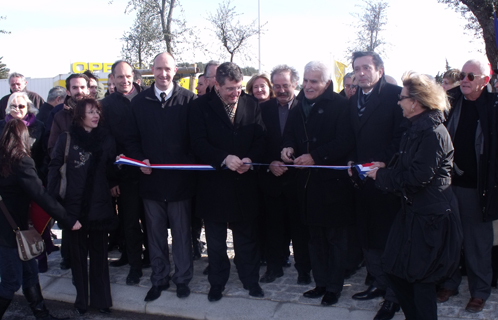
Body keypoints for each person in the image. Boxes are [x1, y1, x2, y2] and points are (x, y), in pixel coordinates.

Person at [365, 72, 462, 320]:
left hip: (430, 218)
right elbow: (407, 168)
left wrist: (381, 177)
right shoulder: (415, 129)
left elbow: (418, 178)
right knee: (396, 271)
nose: (399, 102)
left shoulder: (433, 133)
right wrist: (385, 168)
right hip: (412, 213)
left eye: (402, 98)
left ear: (415, 102)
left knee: (421, 280)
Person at [190, 62, 265, 302]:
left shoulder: (251, 104)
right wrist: (223, 158)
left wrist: (250, 159)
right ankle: (217, 282)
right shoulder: (200, 107)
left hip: (244, 184)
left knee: (246, 239)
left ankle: (250, 279)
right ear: (217, 85)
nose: (236, 93)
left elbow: (262, 138)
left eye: (239, 88)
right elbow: (197, 143)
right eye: (230, 89)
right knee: (216, 241)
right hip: (214, 187)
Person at [281, 61, 355, 306]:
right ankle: (320, 283)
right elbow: (290, 134)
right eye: (305, 80)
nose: (308, 86)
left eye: (314, 81)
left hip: (332, 186)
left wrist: (316, 157)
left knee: (335, 240)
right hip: (306, 186)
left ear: (326, 83)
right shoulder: (298, 106)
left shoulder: (341, 105)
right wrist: (288, 147)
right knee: (315, 239)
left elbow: (345, 141)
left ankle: (334, 287)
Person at [125, 52, 196, 302]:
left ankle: (183, 279)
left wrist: (184, 164)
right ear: (151, 70)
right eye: (158, 69)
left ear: (175, 70)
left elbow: (195, 141)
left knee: (181, 234)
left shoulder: (189, 100)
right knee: (154, 235)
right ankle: (159, 279)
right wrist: (139, 158)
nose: (163, 74)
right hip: (151, 181)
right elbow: (131, 139)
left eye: (167, 69)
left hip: (180, 182)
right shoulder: (139, 101)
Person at [0, 119, 81, 319]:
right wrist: (68, 219)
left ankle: (42, 314)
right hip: (11, 232)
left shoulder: (4, 161)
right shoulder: (22, 161)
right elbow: (41, 196)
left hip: (9, 229)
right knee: (11, 281)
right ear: (24, 139)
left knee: (30, 273)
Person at [437, 59, 498, 313]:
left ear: (485, 81)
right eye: (463, 75)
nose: (464, 79)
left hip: (478, 187)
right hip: (449, 184)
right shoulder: (451, 103)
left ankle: (480, 291)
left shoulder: (493, 108)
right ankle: (449, 283)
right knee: (450, 239)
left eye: (471, 76)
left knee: (477, 243)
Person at [48, 97, 116, 315]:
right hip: (73, 207)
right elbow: (54, 170)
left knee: (99, 257)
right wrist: (58, 206)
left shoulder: (105, 138)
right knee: (77, 258)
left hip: (100, 205)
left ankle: (102, 300)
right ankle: (81, 302)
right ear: (79, 115)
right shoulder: (66, 139)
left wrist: (120, 168)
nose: (96, 115)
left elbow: (111, 169)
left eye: (98, 111)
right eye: (91, 112)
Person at [349, 51, 404, 320]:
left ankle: (394, 298)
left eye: (366, 68)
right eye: (357, 69)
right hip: (361, 181)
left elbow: (401, 136)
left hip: (386, 181)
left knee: (388, 241)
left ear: (379, 70)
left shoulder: (396, 96)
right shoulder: (353, 99)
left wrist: (383, 162)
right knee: (367, 238)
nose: (361, 73)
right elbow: (351, 137)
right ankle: (379, 283)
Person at [258, 64, 312, 285]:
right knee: (273, 227)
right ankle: (274, 267)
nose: (281, 90)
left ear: (295, 84)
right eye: (277, 86)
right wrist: (269, 163)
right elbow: (257, 141)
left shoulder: (306, 107)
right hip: (272, 179)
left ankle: (303, 270)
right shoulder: (263, 109)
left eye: (285, 85)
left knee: (300, 229)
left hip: (299, 180)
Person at [101, 60, 147, 286]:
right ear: (112, 79)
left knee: (151, 221)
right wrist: (112, 178)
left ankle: (150, 258)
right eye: (119, 77)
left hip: (151, 171)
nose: (124, 80)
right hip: (125, 174)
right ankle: (134, 265)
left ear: (134, 76)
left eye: (127, 76)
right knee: (129, 221)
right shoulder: (106, 105)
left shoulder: (147, 98)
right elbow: (106, 144)